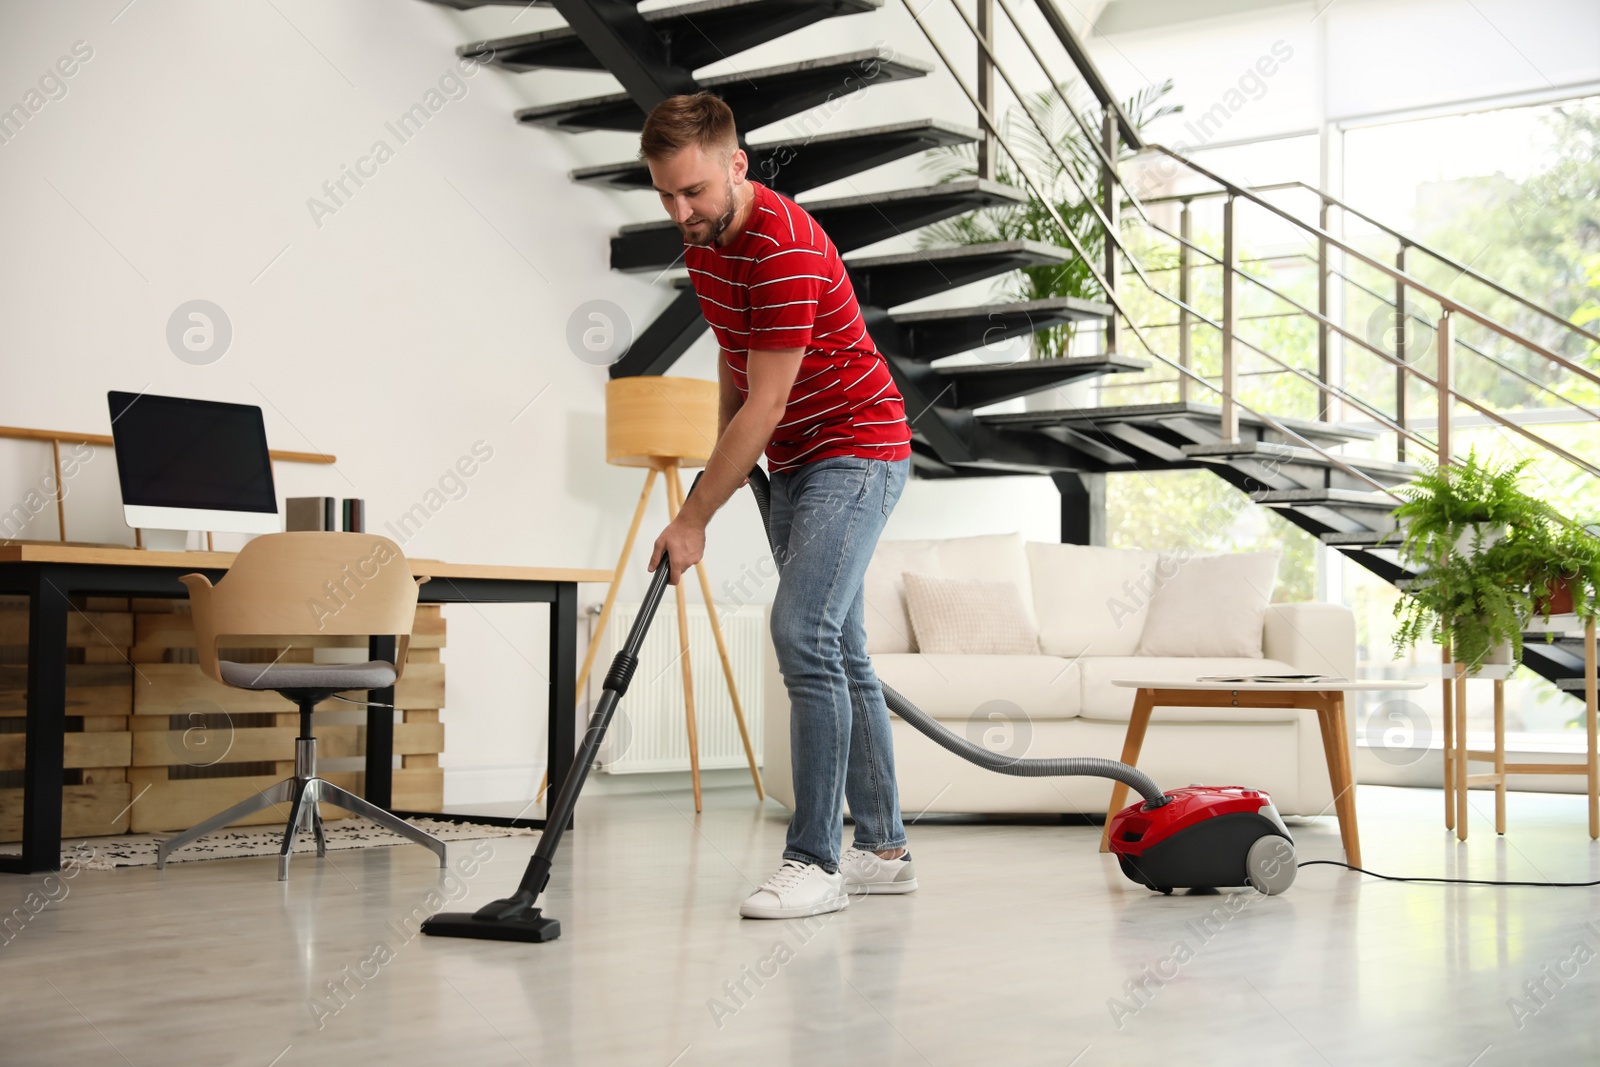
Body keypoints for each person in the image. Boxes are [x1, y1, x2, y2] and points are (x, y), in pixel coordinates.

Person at [641, 92, 917, 919]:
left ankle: (816, 861)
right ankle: (885, 847)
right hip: (794, 461)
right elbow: (733, 368)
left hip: (860, 447)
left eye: (692, 190)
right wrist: (719, 481)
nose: (679, 210)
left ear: (736, 164)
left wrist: (694, 516)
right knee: (845, 650)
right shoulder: (703, 247)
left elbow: (764, 404)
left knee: (803, 633)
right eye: (664, 194)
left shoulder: (784, 246)